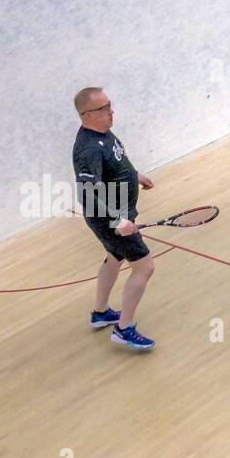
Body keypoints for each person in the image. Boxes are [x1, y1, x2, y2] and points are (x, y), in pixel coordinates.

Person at [72, 86, 157, 350]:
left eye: (110, 105)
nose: (111, 111)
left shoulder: (103, 133)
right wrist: (118, 221)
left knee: (113, 258)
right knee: (144, 267)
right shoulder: (88, 149)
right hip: (111, 219)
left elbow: (117, 163)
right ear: (88, 115)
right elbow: (86, 193)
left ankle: (100, 313)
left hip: (117, 215)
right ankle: (124, 328)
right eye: (105, 108)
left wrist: (134, 174)